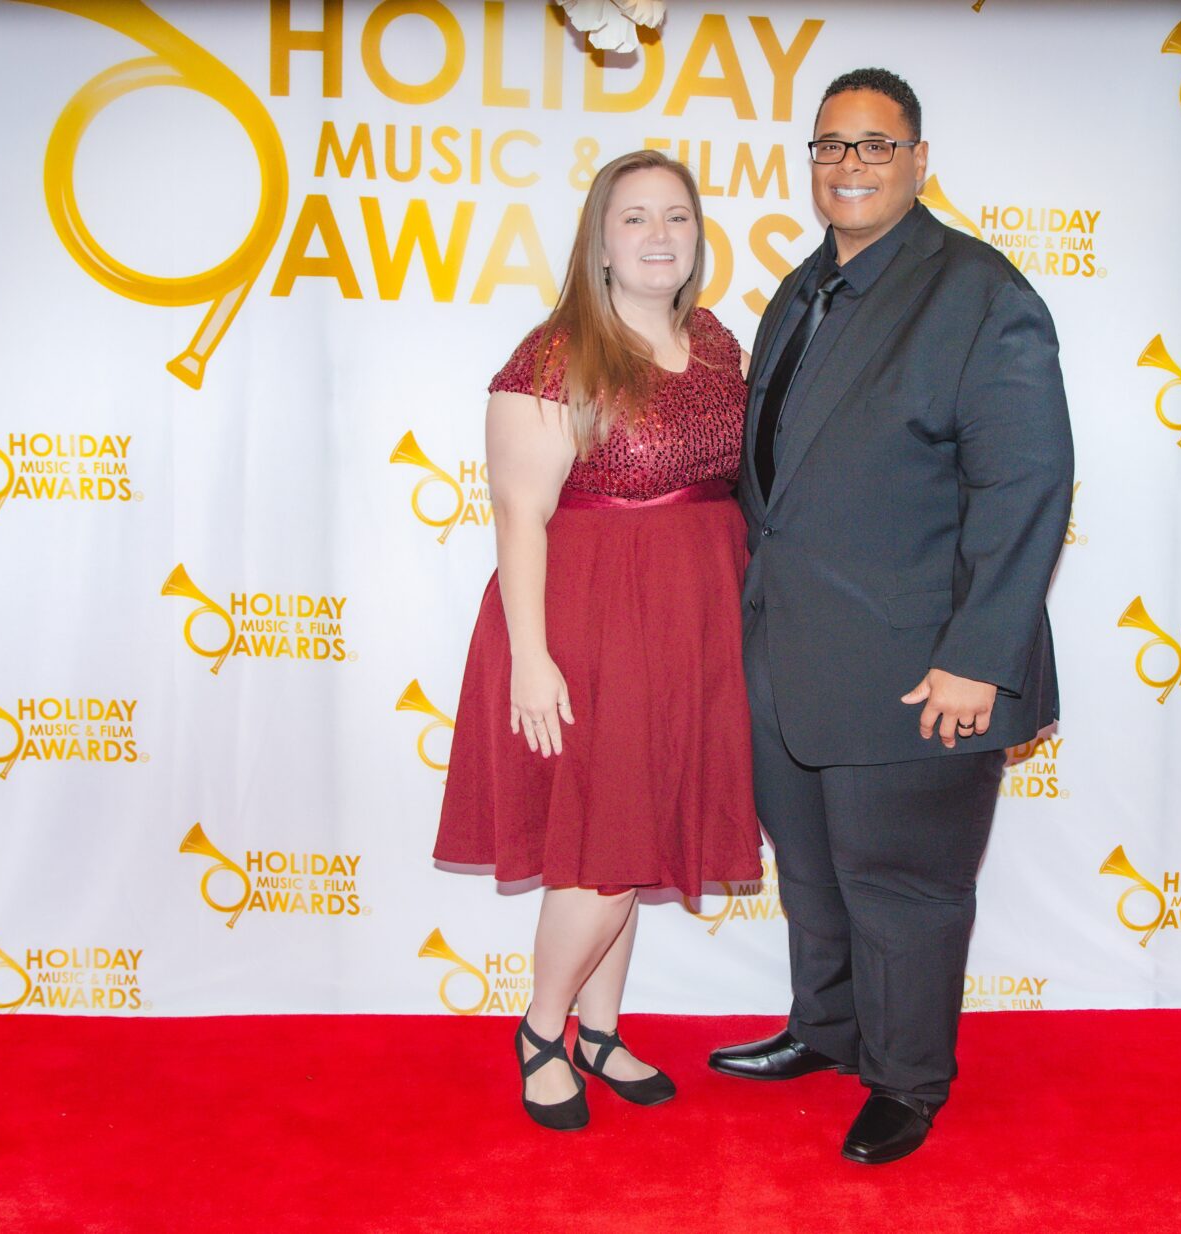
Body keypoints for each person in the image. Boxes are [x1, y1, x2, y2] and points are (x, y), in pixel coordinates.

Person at [707, 68, 1073, 1164]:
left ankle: (908, 1078)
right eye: (830, 146)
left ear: (919, 162)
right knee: (813, 870)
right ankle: (826, 1031)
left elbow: (1028, 483)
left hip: (922, 665)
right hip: (788, 651)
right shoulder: (801, 287)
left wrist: (978, 657)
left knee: (903, 887)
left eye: (874, 145)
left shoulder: (979, 291)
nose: (849, 165)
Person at [434, 149, 762, 1131]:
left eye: (677, 217)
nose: (659, 235)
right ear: (601, 242)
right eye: (635, 219)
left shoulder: (715, 341)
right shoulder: (556, 352)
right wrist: (532, 660)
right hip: (589, 623)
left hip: (695, 616)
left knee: (636, 832)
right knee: (603, 853)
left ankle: (602, 1027)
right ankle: (542, 1029)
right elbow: (519, 515)